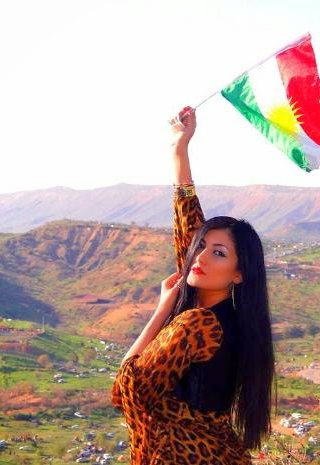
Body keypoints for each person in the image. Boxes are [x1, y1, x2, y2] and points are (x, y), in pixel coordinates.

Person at [111, 105, 277, 464]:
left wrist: (161, 310)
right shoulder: (231, 316)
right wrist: (180, 150)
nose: (200, 257)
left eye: (218, 253)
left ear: (238, 273)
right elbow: (189, 229)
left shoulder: (197, 324)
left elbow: (126, 389)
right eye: (201, 247)